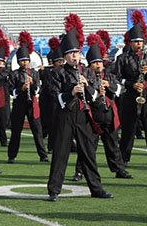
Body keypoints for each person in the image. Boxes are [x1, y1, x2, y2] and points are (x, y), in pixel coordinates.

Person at [47, 14, 113, 202]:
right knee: (60, 154)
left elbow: (96, 99)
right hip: (65, 116)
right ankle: (54, 190)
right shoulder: (57, 73)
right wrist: (72, 92)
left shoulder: (87, 73)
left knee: (89, 154)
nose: (74, 56)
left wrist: (87, 86)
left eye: (76, 53)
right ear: (65, 55)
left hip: (84, 116)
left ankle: (96, 188)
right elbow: (55, 97)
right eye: (70, 53)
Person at [71, 34, 132, 181]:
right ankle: (80, 171)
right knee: (87, 147)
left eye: (100, 62)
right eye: (95, 63)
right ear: (90, 65)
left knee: (113, 145)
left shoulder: (109, 76)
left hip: (109, 115)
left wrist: (109, 86)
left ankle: (119, 169)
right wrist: (96, 88)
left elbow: (121, 88)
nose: (98, 65)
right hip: (93, 117)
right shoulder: (86, 76)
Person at [115, 10, 147, 165]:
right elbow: (118, 77)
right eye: (136, 41)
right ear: (130, 43)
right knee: (128, 129)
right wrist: (131, 84)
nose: (139, 44)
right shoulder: (123, 58)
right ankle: (124, 157)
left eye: (141, 41)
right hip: (130, 96)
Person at [7, 31, 48, 163]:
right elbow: (10, 90)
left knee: (37, 131)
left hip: (32, 104)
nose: (25, 63)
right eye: (22, 61)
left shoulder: (34, 73)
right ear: (19, 62)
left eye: (26, 60)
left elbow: (39, 88)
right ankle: (12, 155)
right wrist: (21, 89)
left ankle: (43, 155)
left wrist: (33, 86)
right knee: (16, 131)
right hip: (19, 104)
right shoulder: (14, 74)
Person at [40, 36, 64, 153]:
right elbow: (50, 88)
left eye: (62, 61)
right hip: (53, 101)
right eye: (58, 62)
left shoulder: (64, 71)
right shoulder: (49, 73)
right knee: (54, 124)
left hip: (63, 100)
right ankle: (52, 146)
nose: (61, 63)